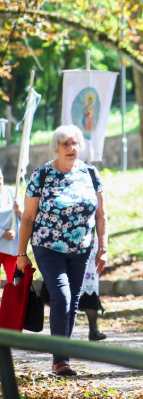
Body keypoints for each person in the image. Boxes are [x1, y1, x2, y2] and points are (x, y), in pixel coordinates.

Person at [16, 125, 108, 377]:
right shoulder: (42, 175)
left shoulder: (91, 173)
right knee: (62, 297)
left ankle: (62, 357)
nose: (71, 148)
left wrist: (103, 248)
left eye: (74, 143)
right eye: (65, 143)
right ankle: (60, 359)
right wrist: (22, 255)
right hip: (48, 247)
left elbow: (101, 215)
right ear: (55, 147)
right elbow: (28, 218)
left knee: (73, 301)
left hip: (82, 248)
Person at [0, 169, 21, 285]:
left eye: (0, 178)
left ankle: (10, 297)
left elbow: (26, 217)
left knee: (12, 280)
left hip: (11, 246)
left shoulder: (13, 192)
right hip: (2, 238)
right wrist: (3, 233)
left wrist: (19, 210)